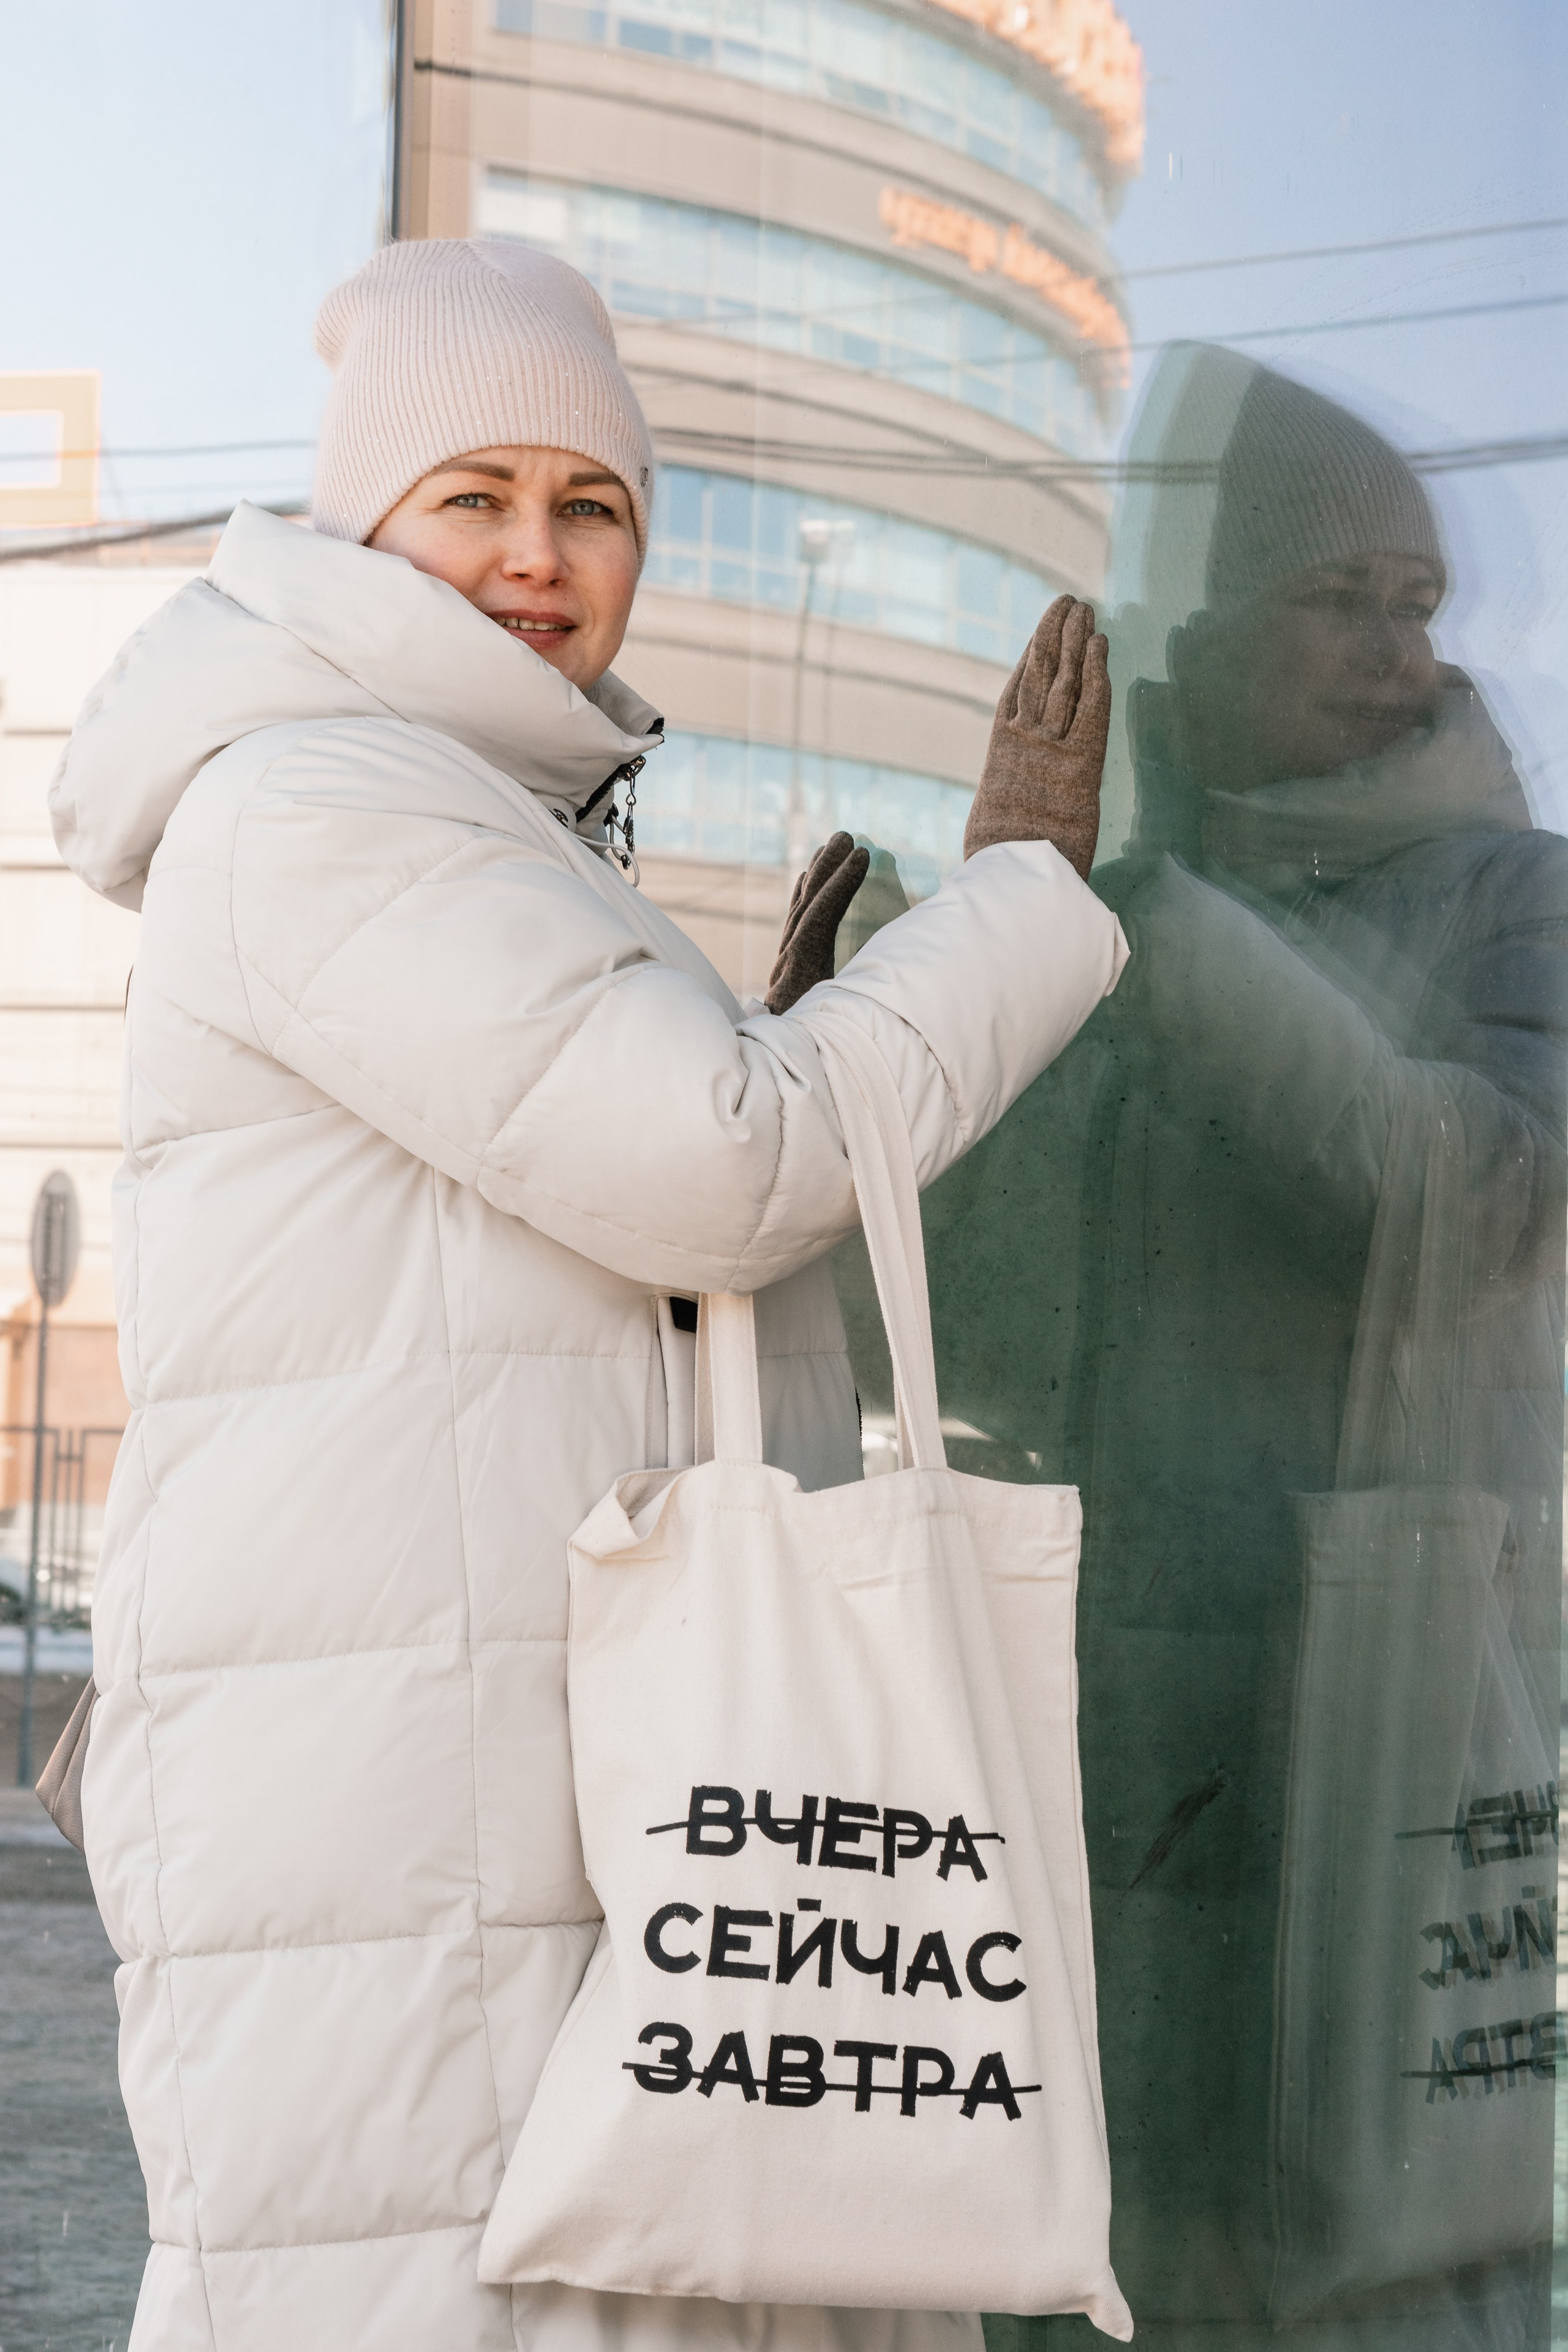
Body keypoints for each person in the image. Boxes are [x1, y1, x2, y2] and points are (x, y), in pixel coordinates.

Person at [46, 238, 1125, 2352]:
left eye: (594, 505)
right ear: (364, 522)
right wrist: (1016, 904)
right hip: (426, 1829)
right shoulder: (322, 799)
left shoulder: (476, 818)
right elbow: (722, 1175)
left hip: (489, 1776)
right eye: (474, 496)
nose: (539, 555)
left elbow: (597, 1243)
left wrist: (789, 1028)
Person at [892, 347, 1568, 2351]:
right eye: (1340, 598)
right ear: (1205, 632)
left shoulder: (1510, 898)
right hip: (1086, 1726)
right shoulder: (1104, 890)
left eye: (1417, 604)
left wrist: (1155, 931)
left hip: (1379, 1704)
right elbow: (981, 1326)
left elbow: (1471, 1197)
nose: (1396, 653)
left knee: (1356, 2268)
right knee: (1082, 2271)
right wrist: (899, 1023)